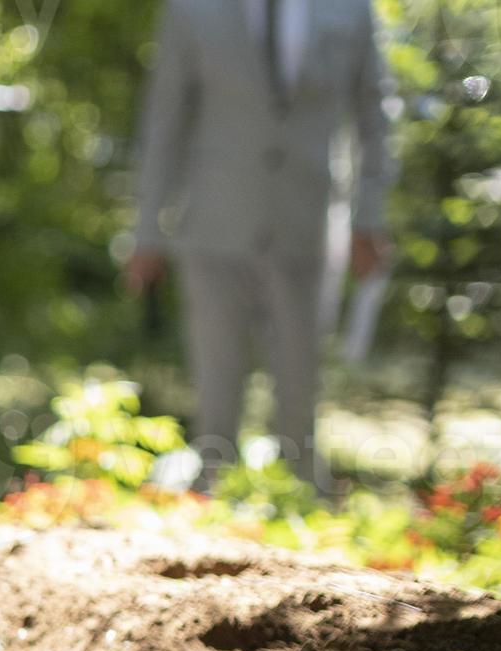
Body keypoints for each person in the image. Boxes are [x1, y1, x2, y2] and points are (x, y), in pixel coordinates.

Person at [127, 0, 395, 487]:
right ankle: (208, 510)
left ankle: (300, 512)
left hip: (309, 232)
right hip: (212, 229)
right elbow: (164, 120)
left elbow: (374, 119)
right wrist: (147, 231)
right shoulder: (192, 11)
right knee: (215, 398)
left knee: (299, 401)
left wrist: (369, 219)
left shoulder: (351, 11)